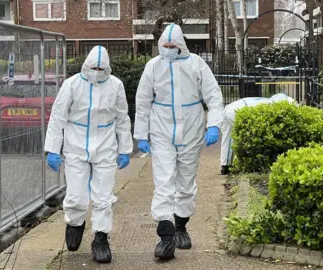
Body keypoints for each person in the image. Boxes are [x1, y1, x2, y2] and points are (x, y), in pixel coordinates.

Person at [134, 24, 224, 260]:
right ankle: (165, 236)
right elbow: (143, 101)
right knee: (163, 182)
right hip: (162, 128)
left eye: (173, 46)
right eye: (165, 46)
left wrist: (214, 124)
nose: (169, 50)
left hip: (191, 128)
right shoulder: (153, 66)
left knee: (185, 182)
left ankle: (181, 225)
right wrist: (141, 135)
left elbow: (213, 95)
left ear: (181, 46)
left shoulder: (196, 64)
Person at [44, 46, 133, 264]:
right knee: (76, 196)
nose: (97, 71)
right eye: (93, 67)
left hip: (105, 145)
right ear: (86, 65)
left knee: (104, 196)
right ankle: (75, 222)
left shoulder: (115, 85)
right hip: (76, 145)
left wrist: (125, 149)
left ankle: (101, 238)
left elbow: (122, 117)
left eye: (101, 68)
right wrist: (53, 149)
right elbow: (58, 117)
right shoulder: (72, 84)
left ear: (107, 68)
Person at [220, 93, 297, 175]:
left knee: (228, 137)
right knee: (245, 137)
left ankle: (225, 166)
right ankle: (242, 165)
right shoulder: (275, 106)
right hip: (237, 111)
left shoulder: (269, 101)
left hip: (229, 108)